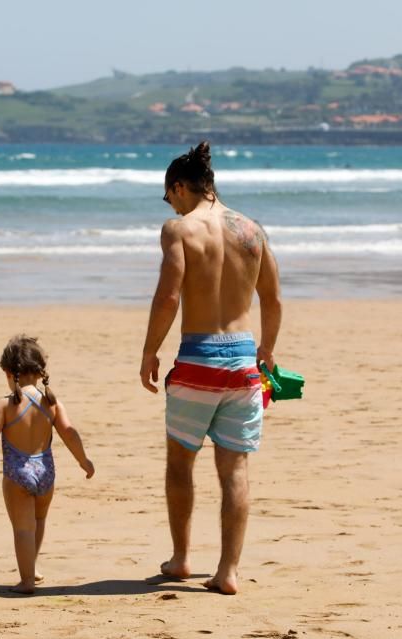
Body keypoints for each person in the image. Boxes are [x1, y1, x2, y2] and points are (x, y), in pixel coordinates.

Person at [140, 141, 282, 595]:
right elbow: (273, 299)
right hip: (242, 360)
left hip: (198, 359)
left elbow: (169, 296)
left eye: (169, 196)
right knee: (234, 468)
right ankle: (227, 572)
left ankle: (181, 559)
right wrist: (268, 352)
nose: (170, 205)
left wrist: (149, 351)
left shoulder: (179, 230)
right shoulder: (252, 230)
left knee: (180, 462)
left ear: (179, 187)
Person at [0, 335, 95, 594]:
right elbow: (69, 433)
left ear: (7, 371)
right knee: (38, 520)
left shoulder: (4, 404)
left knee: (22, 529)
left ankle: (26, 580)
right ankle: (33, 567)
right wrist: (84, 461)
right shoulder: (52, 403)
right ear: (40, 371)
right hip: (46, 472)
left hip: (18, 474)